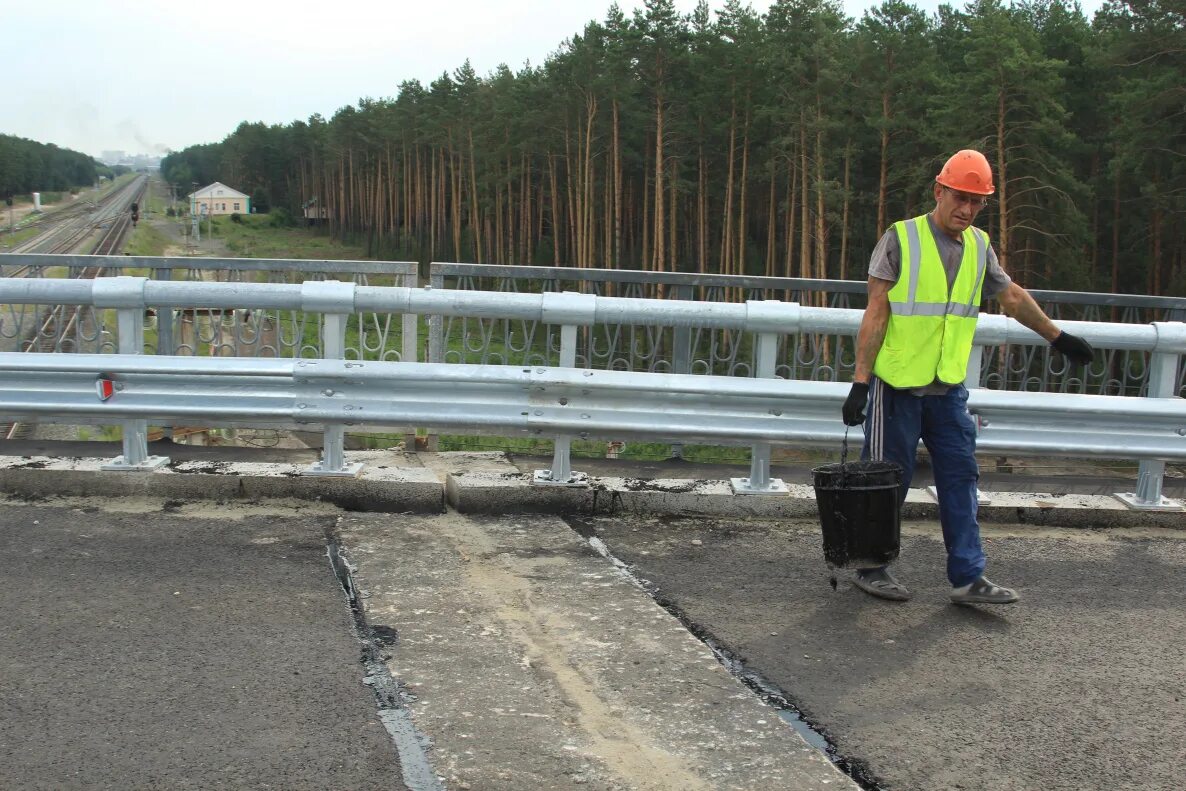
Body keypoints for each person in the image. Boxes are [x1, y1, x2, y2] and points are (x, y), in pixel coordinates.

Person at [842, 149, 1095, 605]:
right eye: (960, 197)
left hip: (947, 390)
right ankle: (870, 564)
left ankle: (968, 577)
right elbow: (876, 311)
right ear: (939, 191)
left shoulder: (979, 245)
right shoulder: (901, 238)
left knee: (960, 477)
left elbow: (1012, 298)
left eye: (977, 202)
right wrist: (861, 381)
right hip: (895, 387)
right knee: (885, 480)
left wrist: (1057, 337)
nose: (967, 209)